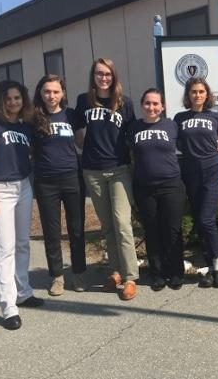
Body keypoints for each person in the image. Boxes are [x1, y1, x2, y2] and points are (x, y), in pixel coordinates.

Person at [0, 80, 44, 330]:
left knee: (22, 243)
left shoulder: (24, 127)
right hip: (2, 191)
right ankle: (8, 307)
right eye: (9, 98)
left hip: (23, 186)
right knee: (5, 249)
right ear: (0, 100)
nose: (13, 102)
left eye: (17, 98)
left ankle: (24, 292)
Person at [75, 58, 138, 300]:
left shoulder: (125, 102)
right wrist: (87, 149)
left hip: (119, 168)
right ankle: (115, 271)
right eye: (100, 74)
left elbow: (131, 135)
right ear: (94, 76)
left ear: (114, 76)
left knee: (122, 223)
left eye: (108, 74)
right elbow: (77, 132)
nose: (104, 78)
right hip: (92, 170)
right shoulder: (84, 101)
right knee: (107, 226)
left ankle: (131, 277)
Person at [31, 75, 86, 296]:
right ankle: (57, 276)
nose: (51, 95)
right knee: (52, 231)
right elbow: (30, 149)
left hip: (72, 177)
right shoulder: (33, 118)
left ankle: (79, 273)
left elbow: (80, 141)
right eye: (47, 91)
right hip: (46, 182)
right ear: (41, 93)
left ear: (63, 93)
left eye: (55, 91)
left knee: (76, 228)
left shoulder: (71, 115)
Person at [174, 78, 218, 288]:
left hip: (213, 172)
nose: (197, 95)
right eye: (193, 92)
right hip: (190, 174)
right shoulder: (179, 118)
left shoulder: (216, 118)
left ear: (207, 95)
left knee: (206, 219)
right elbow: (174, 144)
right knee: (202, 221)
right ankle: (208, 268)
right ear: (188, 95)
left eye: (201, 91)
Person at [128, 89, 186, 291]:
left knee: (172, 230)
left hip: (171, 185)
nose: (151, 107)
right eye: (147, 103)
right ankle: (158, 273)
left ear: (162, 106)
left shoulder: (172, 125)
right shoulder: (133, 128)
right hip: (144, 187)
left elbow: (192, 144)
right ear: (142, 105)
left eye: (155, 104)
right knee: (152, 231)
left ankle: (176, 272)